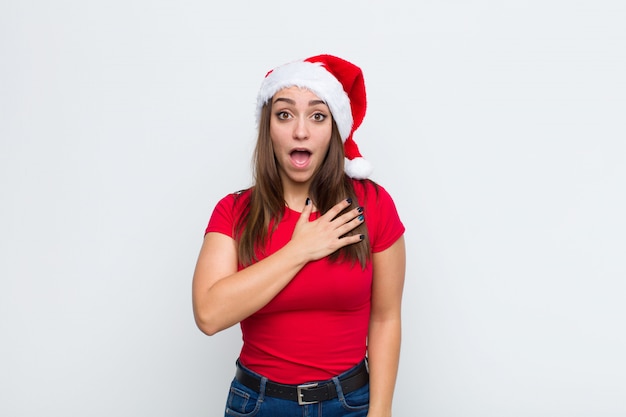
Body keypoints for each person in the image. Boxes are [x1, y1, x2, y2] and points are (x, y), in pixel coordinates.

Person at [192, 54, 406, 417]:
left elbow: (386, 318)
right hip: (258, 405)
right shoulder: (234, 212)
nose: (301, 131)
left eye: (318, 115)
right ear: (269, 127)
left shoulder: (374, 204)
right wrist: (299, 250)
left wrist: (381, 411)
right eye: (285, 114)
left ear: (335, 128)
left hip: (351, 404)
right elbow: (209, 315)